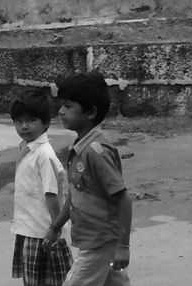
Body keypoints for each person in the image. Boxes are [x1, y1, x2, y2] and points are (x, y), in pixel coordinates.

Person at [44, 71, 132, 286]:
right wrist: (56, 226)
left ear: (90, 112)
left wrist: (123, 246)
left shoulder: (96, 152)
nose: (61, 111)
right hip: (93, 240)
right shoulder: (79, 149)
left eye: (68, 106)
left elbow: (123, 199)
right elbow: (75, 196)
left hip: (100, 243)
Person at [10, 88, 73, 286]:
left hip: (43, 233)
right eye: (19, 121)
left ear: (45, 122)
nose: (24, 126)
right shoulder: (27, 149)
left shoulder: (44, 155)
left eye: (30, 120)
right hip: (29, 229)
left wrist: (55, 230)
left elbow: (51, 194)